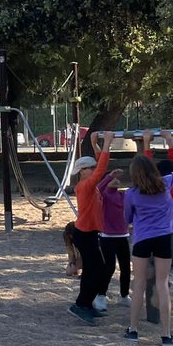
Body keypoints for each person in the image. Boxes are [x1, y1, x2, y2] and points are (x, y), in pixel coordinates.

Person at [124, 146, 173, 346]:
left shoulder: (131, 193)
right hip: (164, 237)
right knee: (162, 285)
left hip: (142, 239)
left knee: (138, 284)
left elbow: (127, 217)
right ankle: (166, 334)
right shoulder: (165, 183)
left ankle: (133, 330)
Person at [67, 133, 110, 325]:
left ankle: (85, 304)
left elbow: (100, 164)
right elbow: (102, 168)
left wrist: (95, 144)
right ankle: (81, 304)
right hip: (84, 234)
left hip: (89, 233)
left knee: (95, 271)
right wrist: (107, 143)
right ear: (82, 171)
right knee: (97, 271)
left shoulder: (89, 185)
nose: (94, 169)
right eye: (90, 168)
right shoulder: (85, 186)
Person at [97, 169, 131, 306]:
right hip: (107, 236)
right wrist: (108, 177)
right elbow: (98, 188)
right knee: (109, 267)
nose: (116, 180)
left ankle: (124, 295)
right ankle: (100, 295)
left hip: (123, 236)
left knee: (125, 267)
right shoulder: (103, 195)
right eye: (113, 179)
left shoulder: (123, 195)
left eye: (118, 179)